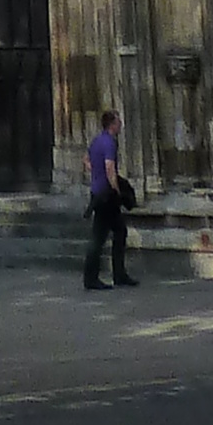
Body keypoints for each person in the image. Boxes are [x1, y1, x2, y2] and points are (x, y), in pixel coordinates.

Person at [84, 107, 134, 289]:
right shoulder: (109, 143)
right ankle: (95, 277)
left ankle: (118, 274)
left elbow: (86, 160)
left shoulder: (97, 141)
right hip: (107, 195)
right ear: (113, 124)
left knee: (118, 231)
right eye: (118, 121)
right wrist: (116, 189)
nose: (120, 124)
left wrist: (95, 174)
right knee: (101, 236)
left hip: (97, 192)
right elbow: (110, 167)